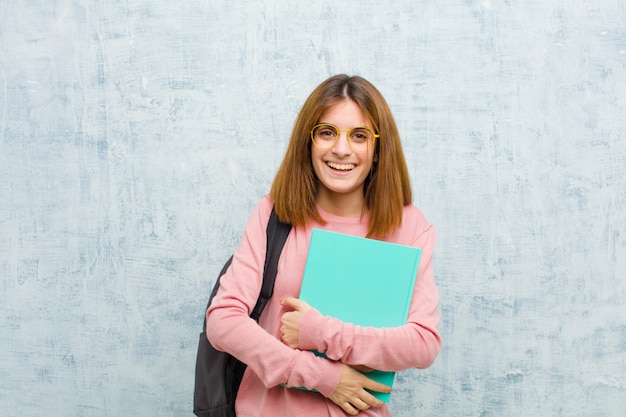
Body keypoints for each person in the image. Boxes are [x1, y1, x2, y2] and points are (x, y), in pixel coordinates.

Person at [206, 74, 441, 417]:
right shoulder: (276, 213)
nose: (341, 149)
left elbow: (423, 344)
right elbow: (223, 321)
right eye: (327, 132)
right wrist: (323, 376)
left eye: (359, 136)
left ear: (377, 149)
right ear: (309, 141)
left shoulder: (410, 226)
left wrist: (321, 332)